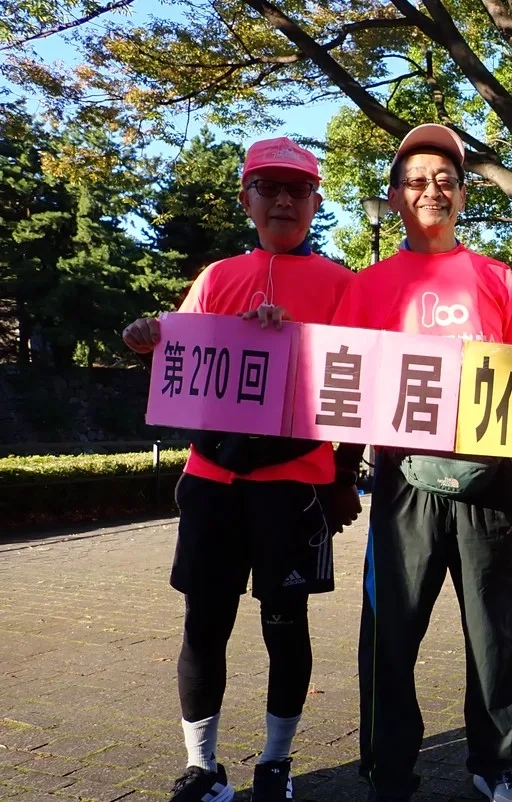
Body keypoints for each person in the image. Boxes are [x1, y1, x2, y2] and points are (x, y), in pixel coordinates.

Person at [121, 137, 361, 802]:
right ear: (246, 198)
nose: (283, 200)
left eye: (297, 189)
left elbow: (362, 389)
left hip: (294, 486)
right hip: (212, 481)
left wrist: (343, 476)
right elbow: (185, 370)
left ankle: (276, 763)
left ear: (316, 201)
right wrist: (148, 342)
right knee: (205, 624)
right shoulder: (217, 276)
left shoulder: (344, 285)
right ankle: (202, 765)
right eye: (268, 187)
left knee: (285, 625)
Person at [331, 124, 512, 802]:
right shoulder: (366, 287)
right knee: (389, 633)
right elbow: (339, 387)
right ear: (394, 196)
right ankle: (388, 769)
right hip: (402, 481)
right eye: (417, 180)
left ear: (462, 198)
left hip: (490, 480)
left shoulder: (497, 276)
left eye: (447, 180)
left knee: (492, 633)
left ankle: (496, 761)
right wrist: (339, 477)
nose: (433, 190)